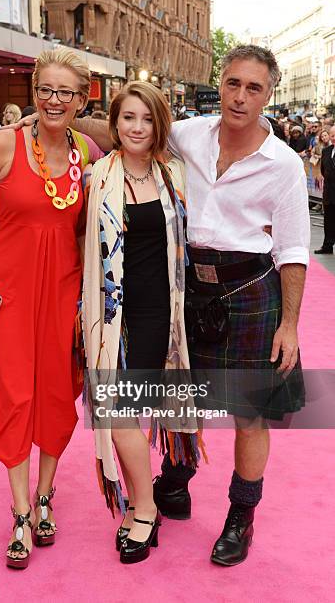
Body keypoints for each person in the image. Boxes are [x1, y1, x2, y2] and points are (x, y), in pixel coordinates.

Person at [67, 44, 310, 567]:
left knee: (250, 414)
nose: (240, 97)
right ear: (220, 84)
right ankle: (175, 482)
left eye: (254, 88)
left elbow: (292, 249)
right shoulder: (188, 134)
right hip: (184, 287)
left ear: (269, 94)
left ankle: (241, 517)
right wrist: (52, 116)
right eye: (233, 84)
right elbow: (130, 127)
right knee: (182, 393)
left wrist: (289, 323)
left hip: (249, 290)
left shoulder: (284, 163)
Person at [0, 47, 102, 570]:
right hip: (8, 292)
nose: (54, 100)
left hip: (63, 292)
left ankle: (45, 497)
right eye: (46, 90)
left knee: (58, 393)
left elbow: (88, 229)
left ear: (82, 99)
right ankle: (20, 511)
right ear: (34, 93)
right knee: (14, 393)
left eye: (66, 92)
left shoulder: (87, 151)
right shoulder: (2, 144)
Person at [82, 81, 202, 565]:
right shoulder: (96, 177)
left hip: (158, 314)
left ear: (159, 126)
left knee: (124, 411)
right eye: (128, 117)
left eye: (147, 119)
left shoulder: (173, 174)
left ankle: (143, 507)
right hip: (108, 314)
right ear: (115, 123)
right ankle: (145, 505)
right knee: (114, 412)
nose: (136, 127)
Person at [314, 125, 335, 254]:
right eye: (332, 135)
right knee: (328, 221)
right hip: (329, 192)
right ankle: (327, 245)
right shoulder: (326, 151)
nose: (333, 138)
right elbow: (323, 170)